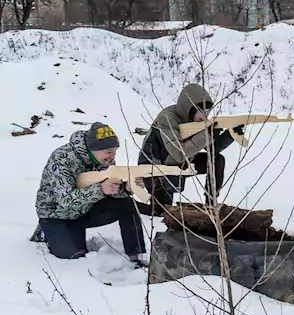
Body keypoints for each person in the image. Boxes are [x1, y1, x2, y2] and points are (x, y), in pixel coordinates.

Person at [32, 123, 146, 264]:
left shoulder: (104, 160)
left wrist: (125, 188)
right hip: (57, 215)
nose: (112, 156)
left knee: (126, 204)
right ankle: (44, 231)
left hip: (86, 209)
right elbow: (65, 200)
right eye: (109, 151)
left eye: (115, 151)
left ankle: (136, 255)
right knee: (74, 259)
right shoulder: (62, 159)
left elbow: (110, 190)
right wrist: (100, 189)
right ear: (93, 148)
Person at [137, 83, 238, 211]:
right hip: (154, 167)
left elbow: (211, 150)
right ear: (189, 108)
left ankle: (211, 204)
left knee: (216, 160)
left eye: (207, 112)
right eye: (201, 111)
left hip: (179, 163)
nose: (205, 116)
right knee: (159, 212)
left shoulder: (195, 121)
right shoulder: (167, 118)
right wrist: (206, 135)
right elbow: (178, 153)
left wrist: (229, 135)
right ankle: (130, 206)